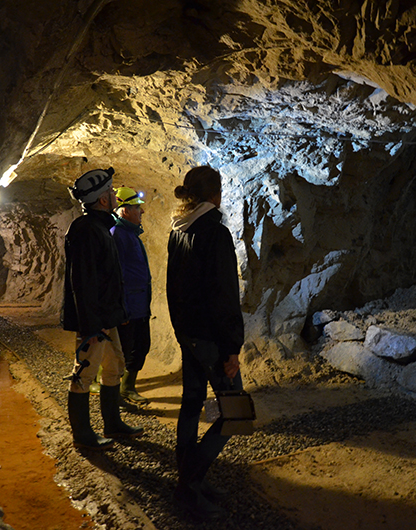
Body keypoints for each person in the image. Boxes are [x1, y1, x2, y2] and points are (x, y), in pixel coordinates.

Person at [166, 166, 244, 519]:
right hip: (211, 340)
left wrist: (182, 333)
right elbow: (224, 296)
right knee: (235, 413)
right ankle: (187, 486)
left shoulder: (177, 231)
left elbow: (172, 289)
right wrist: (232, 347)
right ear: (215, 194)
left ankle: (190, 479)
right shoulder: (215, 233)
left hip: (189, 336)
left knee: (192, 404)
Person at [62, 167, 144, 451]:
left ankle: (112, 423)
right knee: (84, 372)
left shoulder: (99, 227)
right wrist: (91, 326)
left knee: (114, 366)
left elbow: (108, 277)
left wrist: (116, 315)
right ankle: (82, 434)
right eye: (110, 192)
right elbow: (82, 282)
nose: (114, 196)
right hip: (96, 321)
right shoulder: (86, 230)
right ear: (102, 200)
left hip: (107, 317)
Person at [111, 186, 152, 406]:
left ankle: (127, 387)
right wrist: (122, 307)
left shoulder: (131, 234)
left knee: (140, 346)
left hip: (139, 304)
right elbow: (116, 275)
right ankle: (117, 393)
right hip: (129, 306)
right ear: (125, 211)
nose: (141, 212)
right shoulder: (118, 234)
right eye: (137, 208)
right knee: (125, 350)